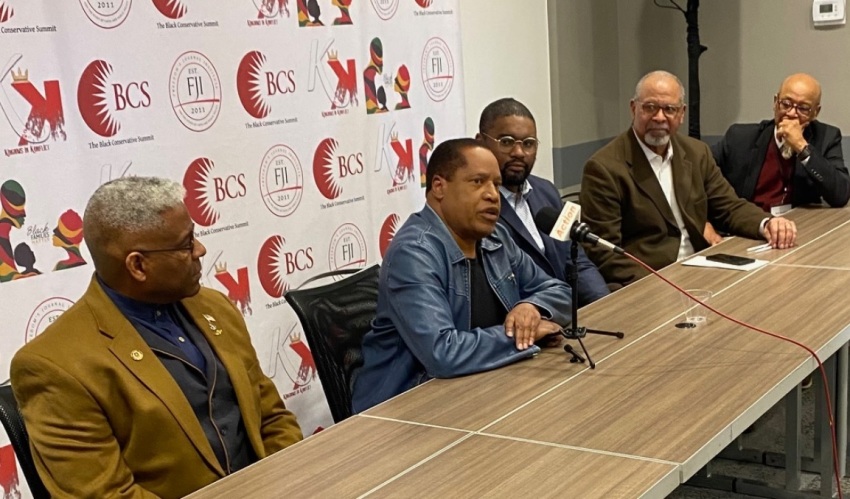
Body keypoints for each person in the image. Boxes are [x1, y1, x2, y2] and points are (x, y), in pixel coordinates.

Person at [11, 177, 302, 498]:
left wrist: (289, 481)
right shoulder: (54, 367)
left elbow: (273, 418)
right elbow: (106, 495)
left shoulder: (215, 307)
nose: (201, 249)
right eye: (186, 243)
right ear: (137, 265)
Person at [352, 138, 571, 412]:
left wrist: (532, 306)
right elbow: (443, 353)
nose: (493, 195)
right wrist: (523, 335)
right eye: (478, 182)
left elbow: (561, 292)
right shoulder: (414, 253)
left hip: (482, 388)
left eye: (496, 183)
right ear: (439, 187)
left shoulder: (496, 237)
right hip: (406, 410)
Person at [580, 70, 797, 289]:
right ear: (633, 108)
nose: (659, 117)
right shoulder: (604, 168)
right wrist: (659, 285)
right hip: (651, 280)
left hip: (702, 267)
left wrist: (767, 223)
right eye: (650, 107)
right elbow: (604, 252)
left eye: (669, 109)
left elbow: (729, 206)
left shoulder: (696, 152)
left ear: (681, 114)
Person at [477, 98, 609, 306]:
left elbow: (575, 263)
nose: (519, 153)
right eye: (507, 142)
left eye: (528, 144)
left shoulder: (546, 191)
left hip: (567, 314)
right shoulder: (479, 208)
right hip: (525, 324)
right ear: (480, 142)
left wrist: (604, 305)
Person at [707, 73, 849, 241]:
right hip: (745, 232)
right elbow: (698, 177)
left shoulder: (826, 137)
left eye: (803, 108)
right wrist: (704, 222)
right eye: (786, 104)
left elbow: (840, 195)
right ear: (775, 102)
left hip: (794, 233)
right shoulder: (739, 138)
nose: (791, 114)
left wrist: (802, 147)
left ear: (815, 112)